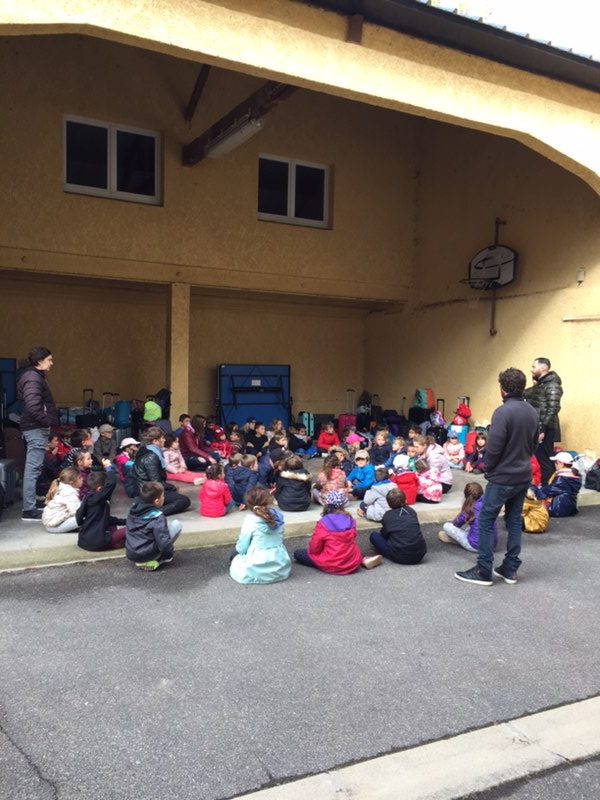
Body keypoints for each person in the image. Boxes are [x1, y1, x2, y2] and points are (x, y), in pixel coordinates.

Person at [455, 367, 539, 586]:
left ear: (503, 389)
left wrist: (489, 469)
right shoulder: (532, 411)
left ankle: (483, 570)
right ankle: (510, 568)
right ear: (522, 387)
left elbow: (494, 447)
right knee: (513, 520)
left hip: (502, 477)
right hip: (522, 475)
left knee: (485, 520)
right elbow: (534, 444)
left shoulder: (502, 412)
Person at [16, 346, 58, 521]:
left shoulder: (33, 376)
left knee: (35, 467)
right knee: (33, 468)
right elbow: (33, 406)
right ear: (40, 361)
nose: (52, 363)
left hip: (35, 427)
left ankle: (31, 502)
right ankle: (29, 509)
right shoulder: (33, 378)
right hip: (35, 427)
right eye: (49, 360)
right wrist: (47, 421)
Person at [293, 490, 383, 573]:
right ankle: (362, 560)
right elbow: (353, 538)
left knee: (298, 553)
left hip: (331, 563)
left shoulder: (323, 522)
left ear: (326, 505)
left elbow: (314, 547)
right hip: (352, 561)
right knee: (350, 548)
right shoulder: (350, 520)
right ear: (342, 505)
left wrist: (315, 553)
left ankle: (359, 560)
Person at [229, 487, 291, 584]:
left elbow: (242, 548)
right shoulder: (278, 518)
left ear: (249, 504)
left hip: (256, 564)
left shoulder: (250, 521)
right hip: (280, 564)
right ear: (268, 501)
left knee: (234, 555)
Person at [130, 427, 191, 517]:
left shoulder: (147, 450)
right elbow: (156, 482)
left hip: (145, 489)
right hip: (147, 492)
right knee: (184, 500)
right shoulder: (151, 456)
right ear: (155, 441)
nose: (164, 440)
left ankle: (149, 509)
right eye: (162, 438)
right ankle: (151, 513)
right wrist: (172, 487)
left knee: (174, 495)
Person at [125, 481, 183, 571]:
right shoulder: (157, 516)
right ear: (157, 501)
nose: (164, 498)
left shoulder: (133, 511)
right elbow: (163, 541)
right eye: (163, 496)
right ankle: (160, 559)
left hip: (131, 553)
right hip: (148, 553)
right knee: (176, 524)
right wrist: (169, 554)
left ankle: (141, 560)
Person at [524, 358, 563, 485]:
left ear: (542, 368)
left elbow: (553, 408)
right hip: (538, 427)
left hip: (545, 429)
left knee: (544, 460)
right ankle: (543, 486)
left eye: (534, 366)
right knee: (539, 458)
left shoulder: (552, 385)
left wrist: (542, 430)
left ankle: (547, 488)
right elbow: (526, 394)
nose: (532, 369)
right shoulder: (541, 385)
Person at [369, 489, 427, 565]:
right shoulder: (411, 511)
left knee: (374, 536)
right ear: (405, 500)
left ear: (388, 504)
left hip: (400, 556)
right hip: (420, 554)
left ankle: (386, 553)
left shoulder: (388, 515)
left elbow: (384, 535)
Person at [76, 466, 127, 551]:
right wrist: (109, 468)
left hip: (84, 541)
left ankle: (114, 542)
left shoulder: (88, 497)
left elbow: (104, 518)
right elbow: (111, 483)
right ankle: (112, 543)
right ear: (100, 489)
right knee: (130, 529)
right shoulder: (98, 498)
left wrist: (124, 521)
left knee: (113, 525)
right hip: (98, 543)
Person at [438, 482, 498, 552]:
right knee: (476, 525)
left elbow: (456, 524)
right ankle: (461, 538)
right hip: (492, 546)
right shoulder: (488, 504)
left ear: (466, 496)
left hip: (475, 546)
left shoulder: (469, 508)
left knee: (447, 526)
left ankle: (456, 539)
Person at [533, 452, 581, 517]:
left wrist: (534, 491)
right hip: (571, 507)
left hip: (558, 508)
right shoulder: (574, 476)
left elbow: (549, 490)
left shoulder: (562, 478)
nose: (554, 464)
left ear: (561, 464)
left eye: (556, 462)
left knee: (534, 508)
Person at [41, 467, 82, 533]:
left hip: (52, 524)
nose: (82, 479)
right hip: (55, 527)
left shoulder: (63, 488)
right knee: (86, 517)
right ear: (71, 482)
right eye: (79, 478)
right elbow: (76, 511)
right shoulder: (69, 492)